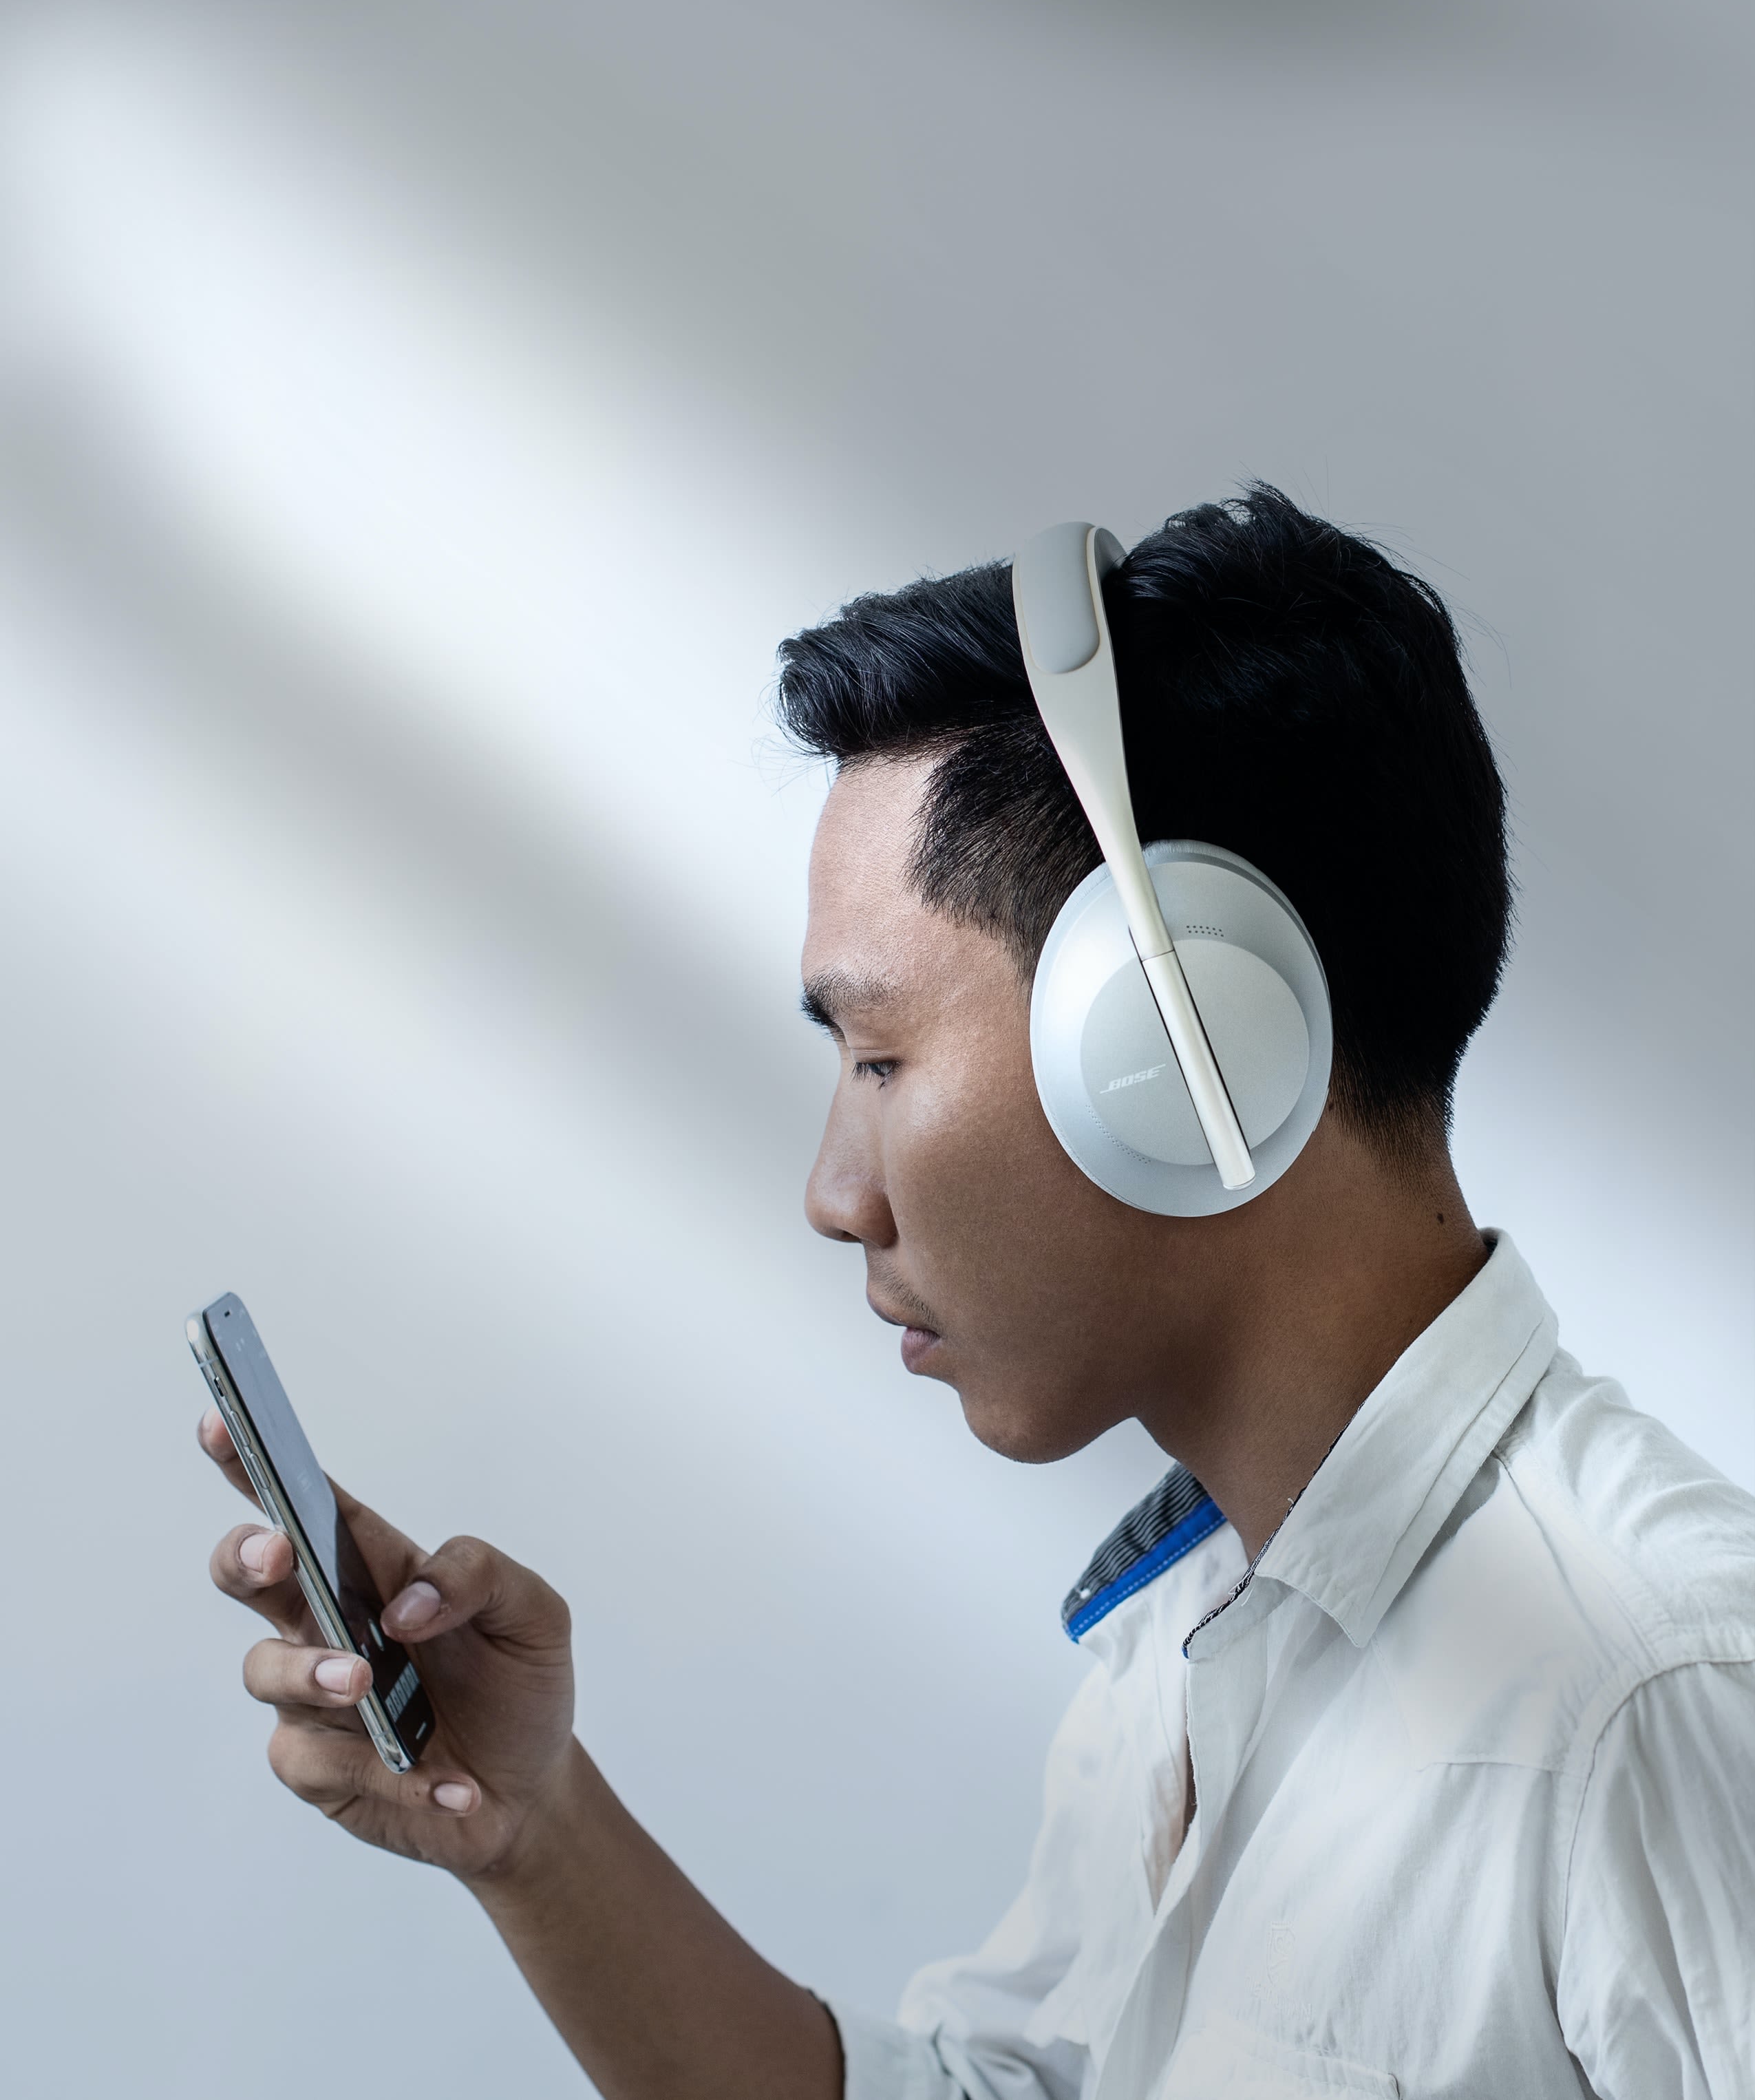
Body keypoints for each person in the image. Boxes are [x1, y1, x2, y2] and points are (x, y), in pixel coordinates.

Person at [198, 488, 1754, 2098]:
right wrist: (535, 1832)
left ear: (1188, 1048)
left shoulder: (1660, 1698)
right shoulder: (1199, 1626)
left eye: (879, 1057)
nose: (833, 1194)